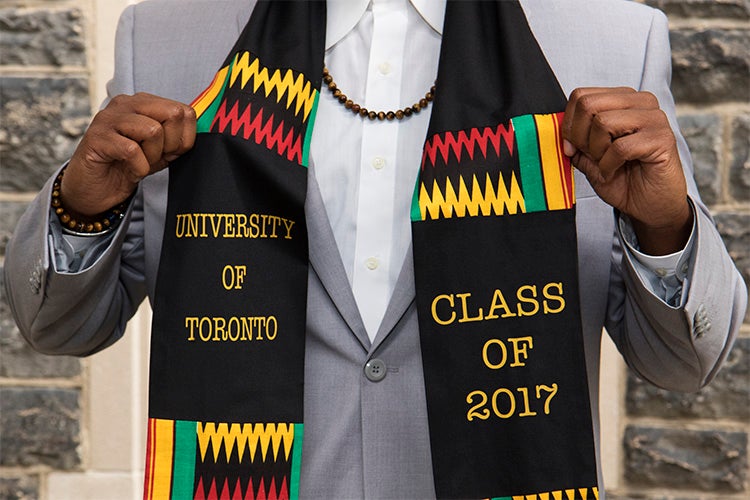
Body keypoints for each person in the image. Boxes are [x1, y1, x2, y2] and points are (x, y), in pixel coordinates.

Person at [4, 0, 746, 498]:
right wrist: (81, 206)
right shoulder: (167, 37)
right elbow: (61, 327)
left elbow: (683, 365)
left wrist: (664, 228)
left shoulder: (610, 39)